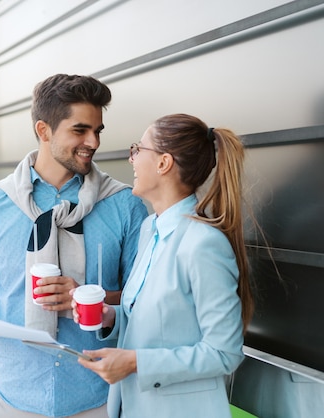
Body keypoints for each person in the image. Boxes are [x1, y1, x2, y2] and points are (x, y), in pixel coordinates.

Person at [0, 74, 148, 417]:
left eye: (98, 130)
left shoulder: (125, 205)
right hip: (13, 398)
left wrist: (90, 295)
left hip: (97, 399)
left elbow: (144, 299)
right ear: (43, 130)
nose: (93, 142)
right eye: (80, 130)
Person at [73, 113, 254, 418]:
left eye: (138, 149)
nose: (132, 159)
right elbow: (161, 323)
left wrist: (134, 362)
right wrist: (111, 317)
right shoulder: (149, 230)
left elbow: (224, 353)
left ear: (163, 163)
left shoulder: (203, 244)